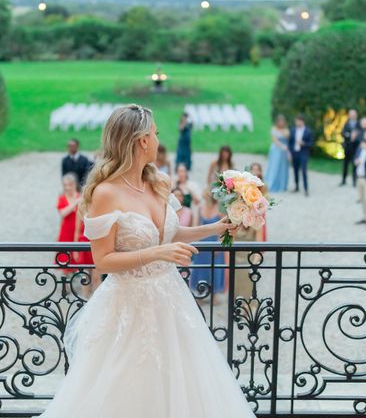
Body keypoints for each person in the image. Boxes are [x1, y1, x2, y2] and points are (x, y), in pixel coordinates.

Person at [38, 104, 254, 417]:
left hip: (170, 302)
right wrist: (157, 253)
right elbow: (103, 260)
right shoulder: (105, 193)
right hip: (128, 307)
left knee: (183, 384)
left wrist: (216, 227)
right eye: (154, 134)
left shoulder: (158, 182)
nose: (157, 140)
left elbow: (170, 232)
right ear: (141, 141)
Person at [189, 189, 225, 305]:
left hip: (215, 241)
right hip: (203, 241)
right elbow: (195, 225)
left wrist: (221, 243)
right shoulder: (200, 207)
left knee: (215, 268)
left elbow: (225, 227)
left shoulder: (220, 208)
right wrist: (196, 241)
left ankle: (214, 294)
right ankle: (200, 292)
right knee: (200, 267)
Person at [288, 114, 313, 196]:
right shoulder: (293, 130)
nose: (296, 123)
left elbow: (311, 143)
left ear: (302, 121)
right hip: (295, 153)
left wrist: (304, 143)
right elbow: (290, 142)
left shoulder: (308, 131)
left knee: (303, 171)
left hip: (303, 153)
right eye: (296, 121)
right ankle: (297, 186)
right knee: (295, 170)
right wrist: (290, 152)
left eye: (298, 121)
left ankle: (306, 189)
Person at [264, 114, 290, 193]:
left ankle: (282, 185)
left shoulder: (286, 130)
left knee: (283, 167)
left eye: (282, 121)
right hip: (276, 150)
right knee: (274, 166)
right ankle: (272, 184)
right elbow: (275, 140)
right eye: (280, 121)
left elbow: (287, 137)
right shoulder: (274, 129)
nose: (281, 123)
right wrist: (282, 146)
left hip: (284, 150)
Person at [340, 109, 359, 187]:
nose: (352, 116)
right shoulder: (346, 123)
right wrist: (349, 135)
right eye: (351, 114)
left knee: (355, 165)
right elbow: (343, 133)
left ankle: (355, 181)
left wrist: (356, 136)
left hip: (355, 147)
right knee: (345, 164)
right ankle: (344, 180)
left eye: (353, 114)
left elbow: (361, 133)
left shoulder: (359, 123)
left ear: (356, 115)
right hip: (347, 147)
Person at [250, 162, 268, 241]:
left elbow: (267, 199)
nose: (255, 172)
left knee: (260, 228)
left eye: (257, 170)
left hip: (260, 211)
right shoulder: (248, 185)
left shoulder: (263, 186)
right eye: (253, 169)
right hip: (250, 210)